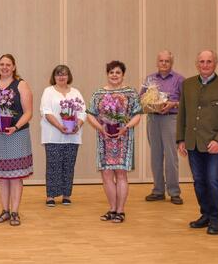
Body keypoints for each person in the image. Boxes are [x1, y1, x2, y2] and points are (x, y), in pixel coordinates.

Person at [177, 50, 218, 235]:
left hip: (215, 145)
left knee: (213, 180)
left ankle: (215, 219)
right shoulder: (187, 85)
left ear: (215, 63)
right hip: (193, 143)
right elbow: (183, 114)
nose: (205, 65)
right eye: (202, 61)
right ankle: (205, 214)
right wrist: (181, 138)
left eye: (209, 61)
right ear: (197, 64)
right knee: (199, 181)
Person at [0, 54, 33, 226]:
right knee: (1, 176)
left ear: (14, 67)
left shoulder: (21, 85)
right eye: (2, 64)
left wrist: (15, 127)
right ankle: (5, 211)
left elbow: (28, 112)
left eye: (8, 64)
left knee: (16, 176)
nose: (4, 67)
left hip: (17, 134)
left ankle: (15, 212)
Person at [86, 61, 141, 224]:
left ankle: (121, 210)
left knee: (121, 174)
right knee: (107, 174)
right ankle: (112, 208)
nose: (114, 75)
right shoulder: (98, 93)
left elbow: (137, 114)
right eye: (111, 72)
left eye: (118, 72)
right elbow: (90, 114)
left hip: (124, 138)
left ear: (123, 74)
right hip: (104, 139)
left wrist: (126, 127)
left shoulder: (131, 93)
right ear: (107, 74)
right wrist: (100, 127)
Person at [140, 50, 184, 204]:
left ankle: (174, 192)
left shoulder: (179, 79)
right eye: (161, 61)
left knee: (171, 157)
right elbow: (142, 98)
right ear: (157, 62)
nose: (164, 63)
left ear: (171, 63)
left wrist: (174, 103)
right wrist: (149, 103)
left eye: (167, 61)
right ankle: (158, 190)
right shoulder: (150, 78)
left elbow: (185, 102)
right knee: (155, 156)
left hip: (170, 119)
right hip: (153, 119)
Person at [39, 65, 86, 207]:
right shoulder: (48, 91)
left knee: (69, 165)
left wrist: (77, 125)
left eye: (64, 74)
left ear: (69, 76)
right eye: (58, 74)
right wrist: (60, 127)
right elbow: (46, 112)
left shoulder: (76, 92)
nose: (61, 77)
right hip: (53, 135)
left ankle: (66, 195)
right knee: (53, 165)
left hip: (72, 136)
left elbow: (83, 112)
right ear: (54, 76)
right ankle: (51, 196)